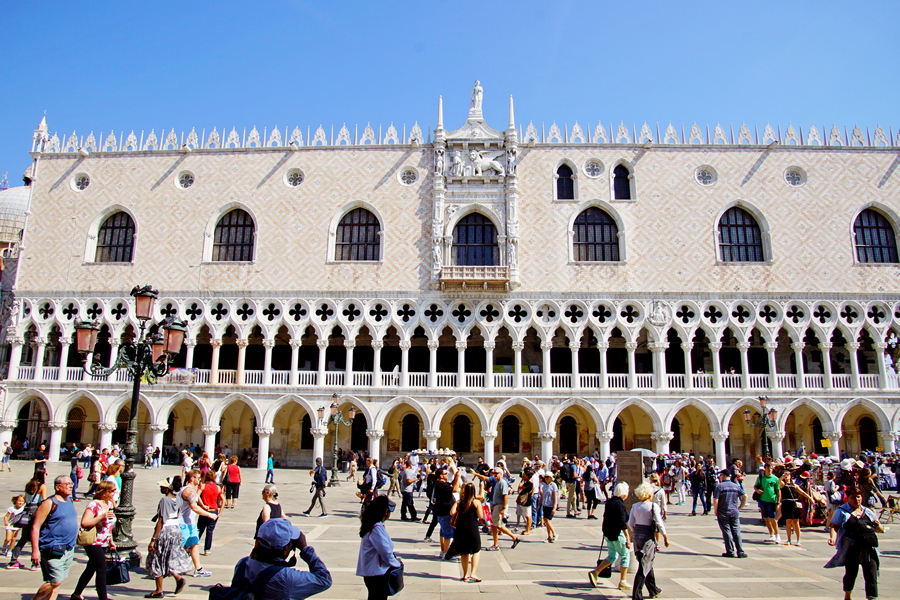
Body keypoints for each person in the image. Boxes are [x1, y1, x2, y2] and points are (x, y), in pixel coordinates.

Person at [229, 518, 331, 599]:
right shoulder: (285, 577)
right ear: (285, 549)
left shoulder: (243, 563)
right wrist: (305, 549)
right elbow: (323, 579)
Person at [826, 486, 884, 600]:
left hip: (869, 548)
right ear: (848, 498)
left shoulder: (868, 511)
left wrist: (878, 525)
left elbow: (880, 530)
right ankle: (848, 595)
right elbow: (834, 527)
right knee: (851, 574)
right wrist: (832, 538)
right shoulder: (842, 511)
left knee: (871, 575)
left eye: (859, 497)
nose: (857, 500)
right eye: (854, 497)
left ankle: (872, 598)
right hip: (852, 548)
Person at [29, 475, 79, 600]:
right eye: (67, 484)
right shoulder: (50, 503)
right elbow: (35, 527)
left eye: (71, 483)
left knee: (59, 581)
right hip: (53, 547)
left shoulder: (69, 500)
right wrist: (35, 551)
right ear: (57, 487)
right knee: (55, 581)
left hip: (68, 547)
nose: (70, 486)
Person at [145, 477, 194, 597]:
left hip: (165, 530)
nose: (161, 488)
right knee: (170, 556)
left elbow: (161, 520)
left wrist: (153, 539)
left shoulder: (164, 500)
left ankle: (159, 590)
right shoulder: (178, 499)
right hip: (176, 529)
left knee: (157, 558)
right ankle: (177, 578)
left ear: (168, 487)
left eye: (163, 486)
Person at [70, 481, 117, 600]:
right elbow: (85, 522)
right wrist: (101, 516)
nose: (114, 492)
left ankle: (76, 594)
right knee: (101, 568)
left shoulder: (110, 504)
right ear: (104, 492)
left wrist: (111, 540)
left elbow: (109, 525)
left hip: (104, 541)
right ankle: (103, 598)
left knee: (91, 568)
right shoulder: (94, 504)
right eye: (111, 491)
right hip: (93, 541)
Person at [629, 482, 669, 600]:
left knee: (646, 562)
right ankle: (636, 594)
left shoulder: (635, 506)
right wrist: (665, 536)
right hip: (648, 537)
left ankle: (653, 589)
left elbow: (631, 523)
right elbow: (658, 522)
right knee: (644, 565)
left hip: (637, 537)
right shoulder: (653, 506)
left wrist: (636, 531)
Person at [588, 482, 631, 591]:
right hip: (617, 533)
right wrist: (627, 537)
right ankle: (623, 581)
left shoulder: (610, 502)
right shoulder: (619, 504)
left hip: (608, 533)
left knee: (612, 555)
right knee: (625, 555)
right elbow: (622, 522)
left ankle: (596, 572)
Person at [356, 495, 401, 600]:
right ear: (384, 511)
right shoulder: (376, 528)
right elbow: (385, 551)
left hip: (372, 572)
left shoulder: (373, 525)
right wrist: (396, 564)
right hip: (376, 573)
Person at [178, 469, 217, 577]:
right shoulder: (187, 491)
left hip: (190, 523)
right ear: (192, 478)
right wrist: (208, 514)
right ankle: (169, 566)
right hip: (184, 523)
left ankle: (198, 569)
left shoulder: (191, 490)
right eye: (198, 478)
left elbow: (196, 498)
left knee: (194, 544)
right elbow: (193, 507)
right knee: (179, 546)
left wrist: (203, 505)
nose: (200, 480)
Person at [7, 468, 48, 569]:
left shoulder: (29, 484)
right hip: (36, 511)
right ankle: (35, 563)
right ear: (42, 475)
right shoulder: (42, 486)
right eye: (45, 473)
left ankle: (13, 561)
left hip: (27, 510)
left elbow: (26, 498)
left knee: (24, 538)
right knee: (37, 537)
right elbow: (44, 500)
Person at [445, 481, 483, 582]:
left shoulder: (460, 502)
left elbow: (452, 512)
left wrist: (457, 503)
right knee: (476, 549)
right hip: (472, 528)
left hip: (461, 528)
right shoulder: (476, 502)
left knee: (464, 552)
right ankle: (473, 573)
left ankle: (465, 574)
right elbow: (480, 516)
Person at [713, 469, 747, 558]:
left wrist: (715, 510)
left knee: (726, 531)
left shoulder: (719, 486)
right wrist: (740, 507)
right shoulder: (735, 486)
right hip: (734, 511)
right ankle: (740, 551)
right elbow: (744, 496)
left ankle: (730, 551)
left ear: (723, 476)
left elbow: (716, 499)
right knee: (736, 531)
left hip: (723, 511)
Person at [781, 471, 812, 547]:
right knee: (788, 521)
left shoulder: (794, 485)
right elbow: (779, 482)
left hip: (794, 504)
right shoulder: (783, 484)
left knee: (796, 522)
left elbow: (802, 492)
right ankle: (789, 539)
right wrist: (782, 477)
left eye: (788, 475)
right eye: (786, 475)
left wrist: (810, 498)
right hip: (787, 504)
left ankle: (798, 540)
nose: (787, 477)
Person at [197, 470, 223, 556]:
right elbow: (223, 500)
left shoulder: (203, 486)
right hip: (214, 511)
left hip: (205, 511)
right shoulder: (218, 488)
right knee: (210, 531)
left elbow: (197, 496)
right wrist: (220, 512)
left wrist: (202, 505)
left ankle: (193, 547)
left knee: (199, 530)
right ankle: (207, 550)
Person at [754, 462, 782, 544]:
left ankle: (777, 535)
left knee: (772, 518)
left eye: (771, 468)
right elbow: (755, 486)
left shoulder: (775, 478)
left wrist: (778, 502)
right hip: (763, 500)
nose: (769, 470)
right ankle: (771, 534)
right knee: (766, 518)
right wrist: (757, 490)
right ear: (765, 469)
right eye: (768, 468)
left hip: (772, 500)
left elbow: (778, 491)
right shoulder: (760, 478)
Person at [540, 473, 559, 543]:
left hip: (550, 505)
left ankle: (554, 533)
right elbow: (542, 496)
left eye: (547, 477)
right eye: (545, 477)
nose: (546, 478)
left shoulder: (553, 485)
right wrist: (539, 504)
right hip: (545, 504)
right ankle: (549, 536)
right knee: (546, 520)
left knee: (547, 520)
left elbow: (555, 497)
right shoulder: (544, 485)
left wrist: (554, 507)